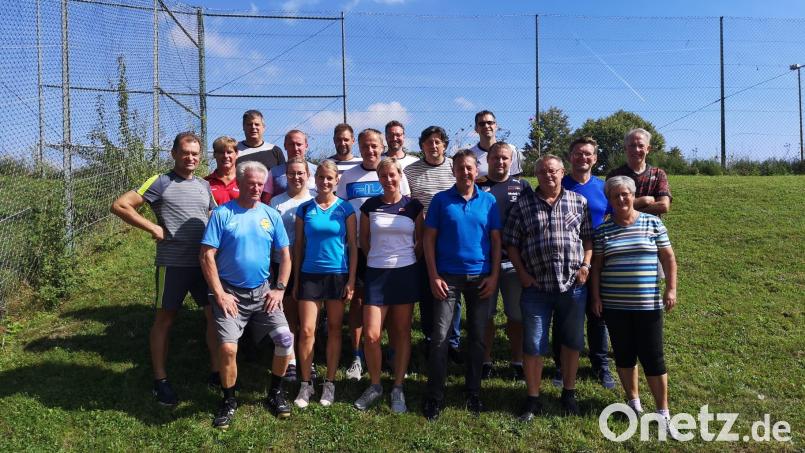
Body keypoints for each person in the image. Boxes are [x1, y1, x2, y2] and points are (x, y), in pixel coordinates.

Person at [110, 132, 217, 406]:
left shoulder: (205, 186)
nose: (191, 158)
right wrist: (153, 226)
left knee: (213, 317)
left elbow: (213, 218)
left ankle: (217, 372)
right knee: (165, 320)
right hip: (173, 264)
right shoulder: (161, 181)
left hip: (203, 265)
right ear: (174, 154)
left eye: (195, 153)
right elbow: (120, 205)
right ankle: (161, 381)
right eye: (185, 152)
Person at [200, 161, 294, 428]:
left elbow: (285, 255)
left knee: (285, 339)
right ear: (239, 183)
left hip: (264, 292)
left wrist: (279, 289)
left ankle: (275, 393)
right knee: (228, 348)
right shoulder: (222, 214)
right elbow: (206, 255)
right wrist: (219, 294)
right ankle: (229, 400)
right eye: (250, 183)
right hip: (229, 293)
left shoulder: (270, 214)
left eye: (259, 184)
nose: (255, 188)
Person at [503, 155, 593, 420]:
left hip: (573, 286)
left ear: (563, 172)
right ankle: (533, 398)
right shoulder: (523, 205)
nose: (548, 176)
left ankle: (569, 392)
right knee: (533, 343)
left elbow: (588, 238)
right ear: (536, 175)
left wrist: (586, 265)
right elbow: (511, 243)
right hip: (536, 288)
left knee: (572, 341)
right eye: (542, 172)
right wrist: (522, 273)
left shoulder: (579, 202)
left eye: (552, 171)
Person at [590, 175, 678, 437]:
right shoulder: (603, 230)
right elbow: (597, 268)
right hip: (615, 305)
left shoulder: (652, 223)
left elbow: (668, 258)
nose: (621, 199)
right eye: (615, 195)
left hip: (647, 304)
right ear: (610, 199)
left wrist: (671, 288)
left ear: (633, 195)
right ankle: (633, 402)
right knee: (624, 355)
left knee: (653, 357)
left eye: (625, 194)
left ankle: (663, 412)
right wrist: (595, 297)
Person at [422, 149, 501, 421]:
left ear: (476, 169)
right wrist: (433, 275)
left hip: (481, 278)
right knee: (440, 338)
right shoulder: (441, 201)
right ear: (453, 170)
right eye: (460, 168)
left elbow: (496, 241)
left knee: (478, 338)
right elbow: (428, 240)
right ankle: (435, 395)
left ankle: (473, 391)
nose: (465, 172)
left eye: (470, 167)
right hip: (448, 278)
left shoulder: (488, 201)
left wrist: (493, 276)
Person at [338, 128, 412, 381]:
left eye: (374, 146)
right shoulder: (347, 176)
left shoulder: (395, 173)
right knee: (359, 303)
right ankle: (357, 356)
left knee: (393, 307)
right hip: (361, 250)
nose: (370, 150)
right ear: (359, 148)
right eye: (365, 146)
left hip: (393, 254)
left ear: (382, 146)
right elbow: (341, 211)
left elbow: (408, 214)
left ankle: (391, 353)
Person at [353, 158, 423, 413]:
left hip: (405, 273)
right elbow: (364, 240)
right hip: (376, 273)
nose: (388, 179)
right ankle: (375, 384)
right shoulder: (369, 206)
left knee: (402, 332)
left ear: (399, 174)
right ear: (379, 179)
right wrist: (378, 259)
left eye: (392, 174)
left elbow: (420, 239)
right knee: (371, 335)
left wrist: (404, 259)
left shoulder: (413, 205)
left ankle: (398, 387)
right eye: (383, 176)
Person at [293, 160, 358, 408]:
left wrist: (351, 280)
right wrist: (297, 280)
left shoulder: (346, 209)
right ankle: (305, 383)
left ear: (336, 180)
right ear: (315, 179)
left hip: (337, 275)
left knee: (333, 328)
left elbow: (353, 246)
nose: (325, 182)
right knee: (307, 330)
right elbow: (299, 246)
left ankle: (329, 383)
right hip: (310, 275)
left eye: (330, 178)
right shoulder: (305, 209)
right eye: (321, 177)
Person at [552, 137, 615, 390]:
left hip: (599, 260)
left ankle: (600, 365)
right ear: (570, 157)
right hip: (567, 262)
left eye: (588, 154)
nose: (583, 158)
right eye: (578, 154)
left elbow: (614, 216)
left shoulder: (603, 188)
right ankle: (560, 365)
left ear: (595, 158)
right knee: (564, 316)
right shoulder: (558, 183)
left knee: (598, 315)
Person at [403, 126, 463, 364]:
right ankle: (430, 338)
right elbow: (407, 203)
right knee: (429, 290)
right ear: (422, 146)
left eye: (438, 142)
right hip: (423, 238)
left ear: (445, 145)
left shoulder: (453, 167)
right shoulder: (410, 171)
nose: (434, 146)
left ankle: (453, 341)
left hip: (451, 239)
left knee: (452, 290)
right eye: (429, 142)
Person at [476, 142, 530, 382]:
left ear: (512, 161)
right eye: (495, 158)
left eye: (505, 158)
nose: (500, 162)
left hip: (513, 263)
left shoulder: (523, 186)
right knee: (485, 316)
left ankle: (517, 360)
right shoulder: (477, 186)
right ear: (487, 160)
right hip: (484, 264)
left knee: (516, 316)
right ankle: (485, 360)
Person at [269, 158, 316, 381]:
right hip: (282, 264)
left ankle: (309, 358)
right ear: (285, 176)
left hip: (310, 264)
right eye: (292, 173)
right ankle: (292, 360)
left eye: (300, 173)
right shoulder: (276, 202)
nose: (296, 177)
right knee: (288, 315)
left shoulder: (315, 201)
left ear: (308, 176)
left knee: (309, 318)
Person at [606, 128, 671, 216]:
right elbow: (611, 206)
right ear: (625, 148)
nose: (636, 150)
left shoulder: (658, 174)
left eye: (641, 146)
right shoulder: (614, 175)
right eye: (632, 145)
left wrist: (627, 208)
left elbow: (663, 206)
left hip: (650, 228)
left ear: (648, 149)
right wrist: (643, 201)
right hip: (622, 228)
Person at [263, 129, 318, 201]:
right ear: (285, 146)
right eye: (291, 144)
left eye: (299, 144)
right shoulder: (273, 172)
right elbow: (266, 201)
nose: (295, 148)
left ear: (306, 146)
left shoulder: (317, 171)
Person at [470, 110, 526, 177]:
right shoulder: (470, 154)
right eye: (482, 124)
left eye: (490, 122)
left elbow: (516, 179)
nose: (486, 126)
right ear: (476, 128)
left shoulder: (511, 150)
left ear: (496, 126)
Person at [206, 136, 240, 206]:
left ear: (236, 154)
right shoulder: (206, 183)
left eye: (229, 152)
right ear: (214, 154)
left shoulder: (246, 180)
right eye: (221, 152)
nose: (225, 156)